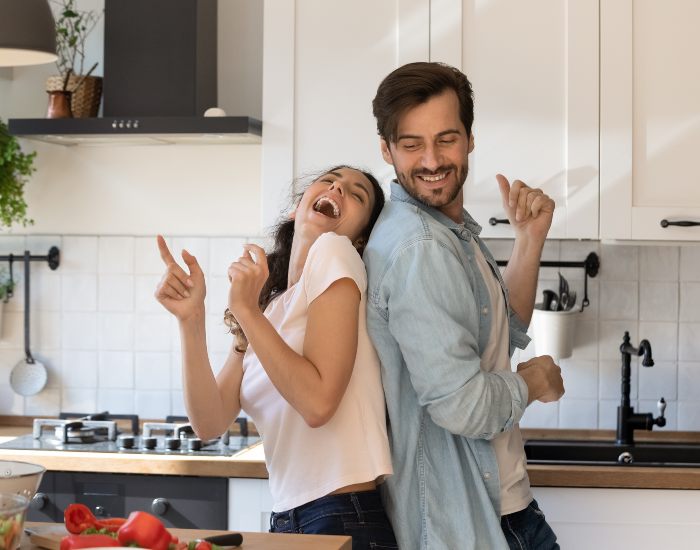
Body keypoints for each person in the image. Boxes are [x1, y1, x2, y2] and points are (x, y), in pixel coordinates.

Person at [364, 61, 565, 549]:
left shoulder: (451, 232)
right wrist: (532, 383)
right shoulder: (421, 247)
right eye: (412, 144)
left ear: (470, 138)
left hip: (500, 506)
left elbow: (503, 329)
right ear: (386, 149)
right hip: (470, 519)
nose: (432, 160)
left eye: (446, 138)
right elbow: (461, 406)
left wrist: (528, 241)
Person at [154, 166, 397, 550]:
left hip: (342, 514)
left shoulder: (336, 253)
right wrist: (191, 318)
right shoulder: (271, 307)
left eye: (357, 194)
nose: (338, 187)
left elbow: (318, 404)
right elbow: (210, 421)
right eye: (331, 179)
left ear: (361, 237)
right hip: (291, 515)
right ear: (295, 209)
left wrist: (245, 310)